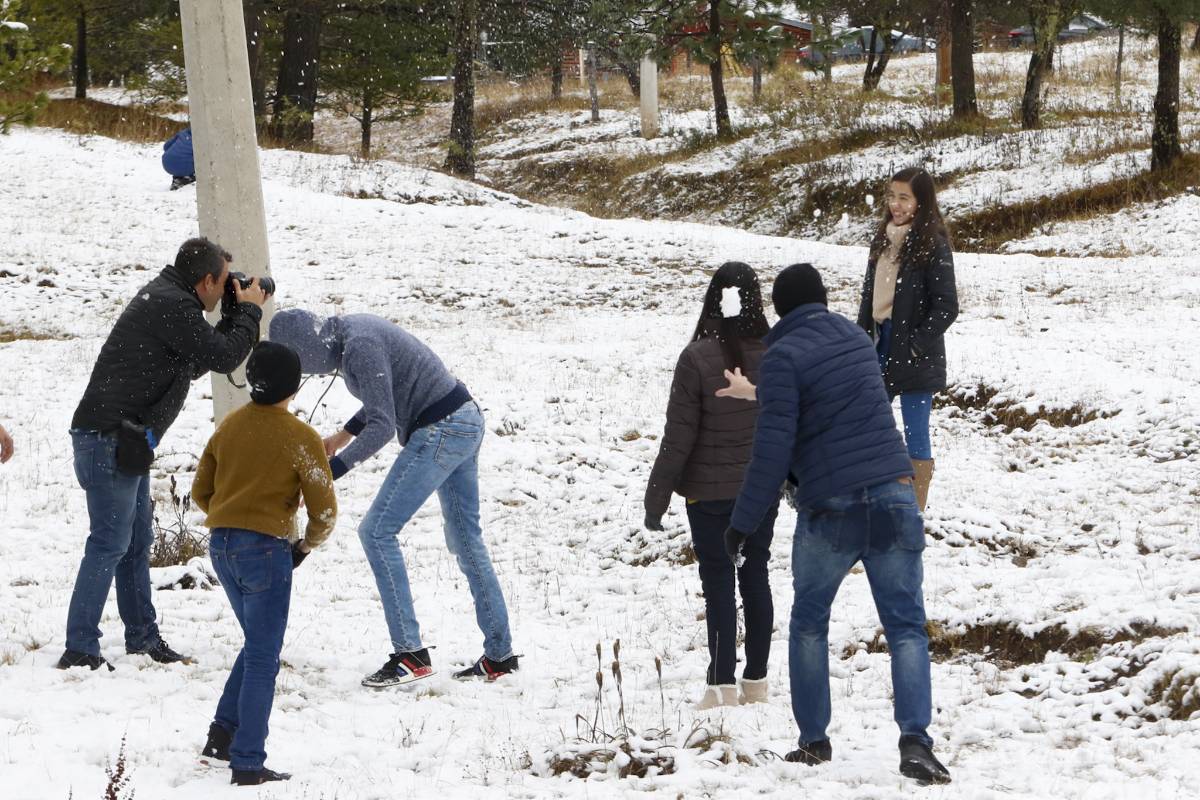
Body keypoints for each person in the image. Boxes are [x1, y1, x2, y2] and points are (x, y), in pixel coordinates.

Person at [723, 264, 951, 785]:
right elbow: (834, 401)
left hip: (832, 506)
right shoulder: (854, 339)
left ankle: (814, 741)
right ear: (823, 300)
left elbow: (773, 446)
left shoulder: (781, 355)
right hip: (894, 491)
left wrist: (741, 522)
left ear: (780, 310)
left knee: (808, 622)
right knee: (906, 626)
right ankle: (915, 741)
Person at [269, 309, 517, 686]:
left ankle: (410, 655)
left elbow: (384, 424)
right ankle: (500, 656)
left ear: (310, 347)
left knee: (377, 531)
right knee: (466, 540)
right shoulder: (352, 334)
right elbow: (383, 395)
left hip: (442, 428)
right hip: (462, 418)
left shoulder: (359, 347)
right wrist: (341, 437)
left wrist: (327, 476)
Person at [60, 237, 266, 671]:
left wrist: (232, 315)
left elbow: (199, 361)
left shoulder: (171, 300)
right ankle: (80, 647)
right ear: (207, 280)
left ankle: (143, 638)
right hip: (106, 439)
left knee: (135, 544)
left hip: (124, 440)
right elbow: (225, 356)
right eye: (226, 282)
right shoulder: (173, 305)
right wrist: (249, 311)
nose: (230, 288)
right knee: (109, 543)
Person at [193, 341, 337, 787]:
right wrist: (305, 547)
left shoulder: (230, 427)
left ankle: (222, 734)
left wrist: (230, 516)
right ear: (293, 387)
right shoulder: (301, 437)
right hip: (267, 551)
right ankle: (248, 763)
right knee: (263, 657)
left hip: (221, 546)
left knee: (257, 642)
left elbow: (201, 491)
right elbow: (325, 511)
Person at [644, 262, 777, 710]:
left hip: (708, 493)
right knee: (755, 573)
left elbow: (678, 435)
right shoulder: (774, 351)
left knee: (719, 580)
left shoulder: (697, 357)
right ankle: (756, 680)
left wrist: (656, 497)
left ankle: (721, 683)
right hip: (760, 487)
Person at [857, 167, 958, 513]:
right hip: (878, 344)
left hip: (917, 353)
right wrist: (860, 340)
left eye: (905, 197)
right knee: (870, 425)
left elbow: (947, 306)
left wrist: (915, 344)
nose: (896, 205)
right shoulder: (881, 239)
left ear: (921, 201)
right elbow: (868, 298)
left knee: (916, 431)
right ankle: (875, 497)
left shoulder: (933, 244)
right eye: (892, 196)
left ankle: (913, 509)